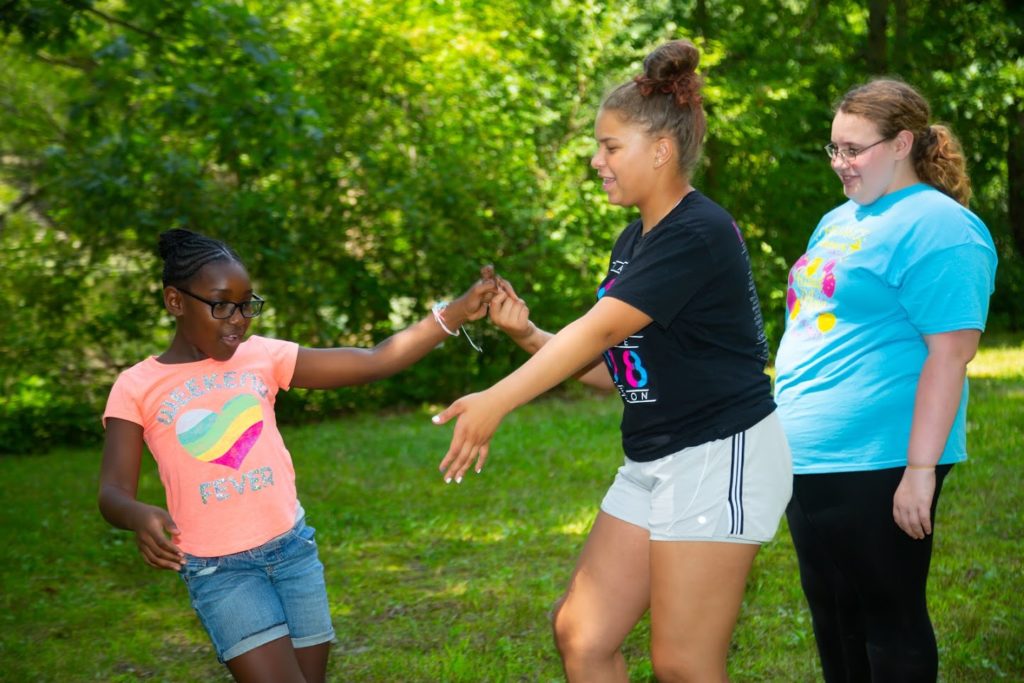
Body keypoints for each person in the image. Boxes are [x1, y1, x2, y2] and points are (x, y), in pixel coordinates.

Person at [431, 40, 792, 682]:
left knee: (683, 664)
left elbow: (599, 330)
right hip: (655, 456)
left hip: (718, 453)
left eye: (609, 146)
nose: (596, 161)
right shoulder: (638, 237)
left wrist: (496, 399)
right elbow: (622, 368)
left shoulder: (697, 231)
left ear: (662, 150)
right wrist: (530, 335)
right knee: (583, 633)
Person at [98, 228, 497, 683]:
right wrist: (136, 514)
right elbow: (111, 491)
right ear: (175, 301)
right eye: (222, 304)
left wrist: (457, 312)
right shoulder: (136, 387)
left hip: (293, 553)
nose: (238, 318)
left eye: (247, 304)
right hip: (221, 571)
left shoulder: (263, 356)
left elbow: (375, 359)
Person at [773, 78, 998, 682]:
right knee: (835, 618)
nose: (840, 164)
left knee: (888, 621)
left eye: (854, 149)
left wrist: (919, 471)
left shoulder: (943, 228)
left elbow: (949, 356)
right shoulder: (838, 220)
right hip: (810, 459)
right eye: (834, 150)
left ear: (901, 143)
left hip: (880, 459)